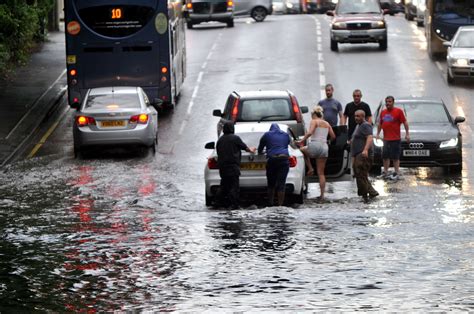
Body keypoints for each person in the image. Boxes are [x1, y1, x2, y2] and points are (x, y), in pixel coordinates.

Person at [297, 106, 336, 201]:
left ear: (314, 115)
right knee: (321, 173)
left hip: (315, 145)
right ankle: (322, 196)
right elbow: (333, 136)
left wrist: (301, 140)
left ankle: (310, 168)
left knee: (301, 150)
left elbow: (310, 132)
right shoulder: (327, 123)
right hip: (324, 147)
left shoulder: (314, 121)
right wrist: (328, 141)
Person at [216, 121, 256, 209]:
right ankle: (234, 205)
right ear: (232, 129)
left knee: (224, 185)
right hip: (233, 166)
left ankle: (220, 203)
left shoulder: (220, 140)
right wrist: (251, 150)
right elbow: (245, 148)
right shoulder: (235, 138)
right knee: (234, 186)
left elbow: (218, 152)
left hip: (222, 167)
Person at [376, 96, 410, 180]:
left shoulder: (398, 111)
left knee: (395, 157)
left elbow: (405, 122)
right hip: (386, 139)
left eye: (389, 102)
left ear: (393, 102)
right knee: (385, 156)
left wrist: (407, 134)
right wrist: (377, 134)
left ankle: (396, 172)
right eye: (386, 102)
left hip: (395, 138)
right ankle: (385, 172)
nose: (388, 103)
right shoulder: (383, 112)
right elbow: (380, 124)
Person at [258, 123, 292, 206]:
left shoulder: (267, 135)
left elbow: (260, 148)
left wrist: (261, 152)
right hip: (284, 160)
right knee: (281, 183)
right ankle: (280, 205)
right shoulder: (286, 135)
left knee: (271, 183)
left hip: (272, 159)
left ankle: (270, 203)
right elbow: (288, 144)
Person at [351, 110, 378, 202]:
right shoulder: (358, 126)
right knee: (361, 175)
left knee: (360, 174)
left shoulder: (366, 125)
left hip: (363, 155)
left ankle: (365, 195)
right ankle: (371, 192)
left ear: (363, 116)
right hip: (358, 154)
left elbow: (369, 138)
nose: (356, 118)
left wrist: (365, 149)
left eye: (358, 116)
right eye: (355, 116)